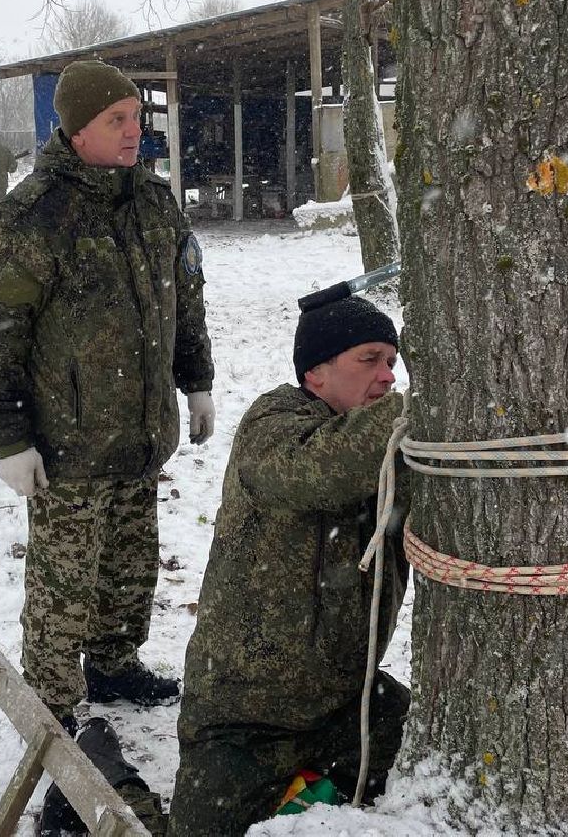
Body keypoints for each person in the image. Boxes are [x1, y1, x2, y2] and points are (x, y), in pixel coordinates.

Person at [0, 60, 216, 740]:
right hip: (67, 445)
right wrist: (9, 439)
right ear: (77, 131)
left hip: (139, 434)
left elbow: (184, 302)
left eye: (137, 118)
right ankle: (50, 705)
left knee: (129, 566)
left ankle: (114, 665)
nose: (135, 131)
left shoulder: (153, 203)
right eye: (117, 120)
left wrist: (196, 383)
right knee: (64, 585)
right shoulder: (33, 217)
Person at [168, 296, 409, 836]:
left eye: (393, 362)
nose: (388, 376)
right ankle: (106, 776)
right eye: (369, 359)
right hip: (246, 720)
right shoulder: (273, 424)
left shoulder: (392, 447)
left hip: (347, 705)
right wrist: (428, 405)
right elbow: (320, 469)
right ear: (315, 372)